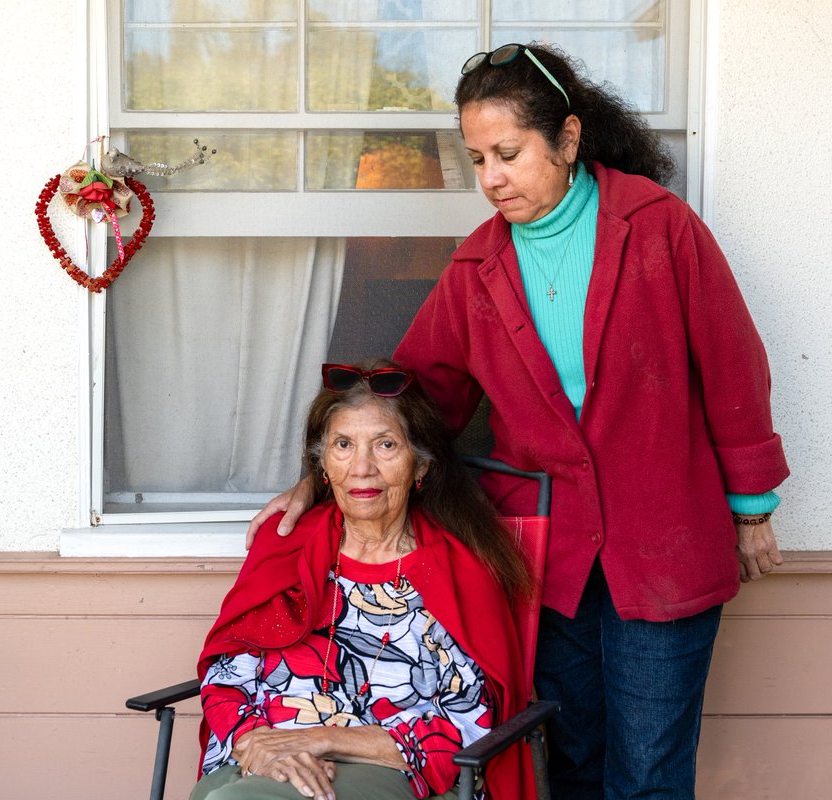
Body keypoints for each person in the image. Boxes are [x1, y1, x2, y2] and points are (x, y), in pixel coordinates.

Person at [247, 44, 790, 800]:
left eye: (508, 153)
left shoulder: (659, 228)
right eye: (476, 159)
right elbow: (415, 399)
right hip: (548, 555)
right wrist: (321, 476)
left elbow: (733, 366)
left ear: (567, 141)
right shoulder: (477, 268)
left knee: (649, 774)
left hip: (664, 541)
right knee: (567, 761)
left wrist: (753, 506)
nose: (490, 178)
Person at [194, 359, 535, 800]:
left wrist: (321, 739)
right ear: (323, 465)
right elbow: (226, 674)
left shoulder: (458, 570)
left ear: (421, 466)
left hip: (389, 767)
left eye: (386, 445)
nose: (362, 468)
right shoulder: (284, 547)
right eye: (343, 445)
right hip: (262, 756)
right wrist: (255, 743)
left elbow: (468, 724)